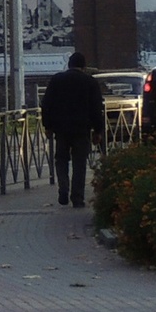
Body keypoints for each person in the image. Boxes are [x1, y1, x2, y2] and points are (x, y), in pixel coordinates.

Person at [39, 52, 106, 208]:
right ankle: (77, 197)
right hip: (82, 130)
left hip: (61, 130)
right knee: (79, 163)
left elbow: (46, 104)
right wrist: (98, 131)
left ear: (68, 64)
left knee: (61, 160)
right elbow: (96, 108)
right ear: (83, 66)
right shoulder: (90, 82)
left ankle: (63, 188)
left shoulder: (57, 80)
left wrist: (47, 126)